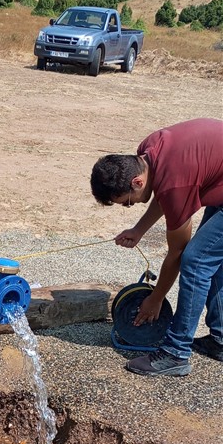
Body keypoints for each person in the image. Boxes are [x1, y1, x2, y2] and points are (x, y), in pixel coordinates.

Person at [90, 118, 223, 376]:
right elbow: (162, 191)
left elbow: (178, 253)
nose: (130, 206)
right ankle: (220, 340)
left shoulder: (176, 183)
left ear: (137, 182)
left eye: (127, 202)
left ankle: (176, 353)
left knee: (196, 261)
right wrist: (139, 230)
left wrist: (156, 298)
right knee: (212, 258)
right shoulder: (147, 151)